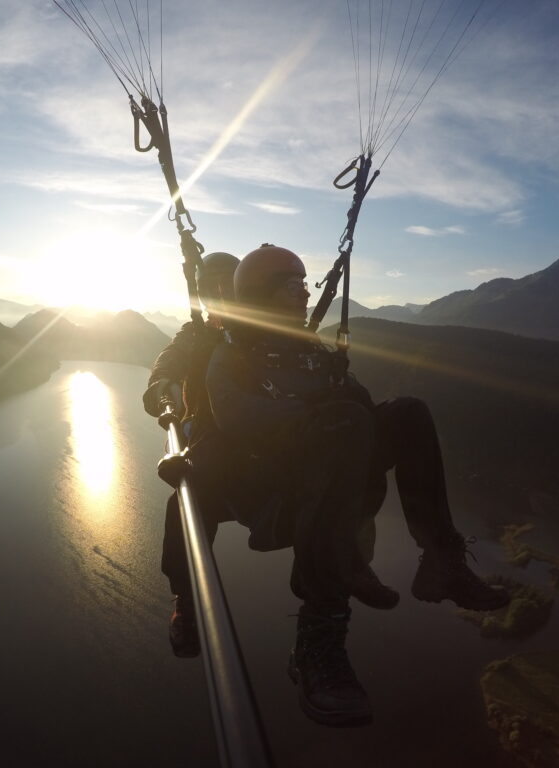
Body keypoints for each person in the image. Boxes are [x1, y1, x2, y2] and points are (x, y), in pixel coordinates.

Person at [205, 245, 509, 726]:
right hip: (284, 491)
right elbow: (235, 415)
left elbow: (361, 407)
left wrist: (347, 413)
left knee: (408, 412)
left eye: (305, 283)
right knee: (344, 420)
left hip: (342, 477)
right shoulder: (234, 354)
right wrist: (319, 416)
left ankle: (442, 561)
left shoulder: (309, 351)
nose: (305, 292)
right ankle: (317, 641)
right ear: (264, 295)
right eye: (293, 284)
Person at [142, 251, 240, 657]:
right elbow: (171, 358)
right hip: (213, 448)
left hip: (261, 447)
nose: (217, 296)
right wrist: (161, 384)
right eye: (211, 288)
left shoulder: (266, 333)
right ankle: (186, 598)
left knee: (187, 495)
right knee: (184, 501)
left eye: (225, 287)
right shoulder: (195, 335)